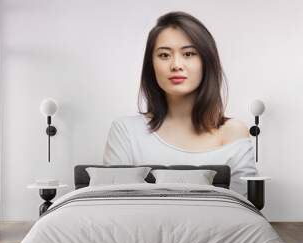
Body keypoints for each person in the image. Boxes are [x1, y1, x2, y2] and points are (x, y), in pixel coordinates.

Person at [103, 11, 257, 196]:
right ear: (151, 66)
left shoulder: (234, 132)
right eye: (164, 55)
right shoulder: (126, 132)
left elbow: (245, 208)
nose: (176, 65)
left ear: (206, 62)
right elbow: (114, 205)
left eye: (189, 54)